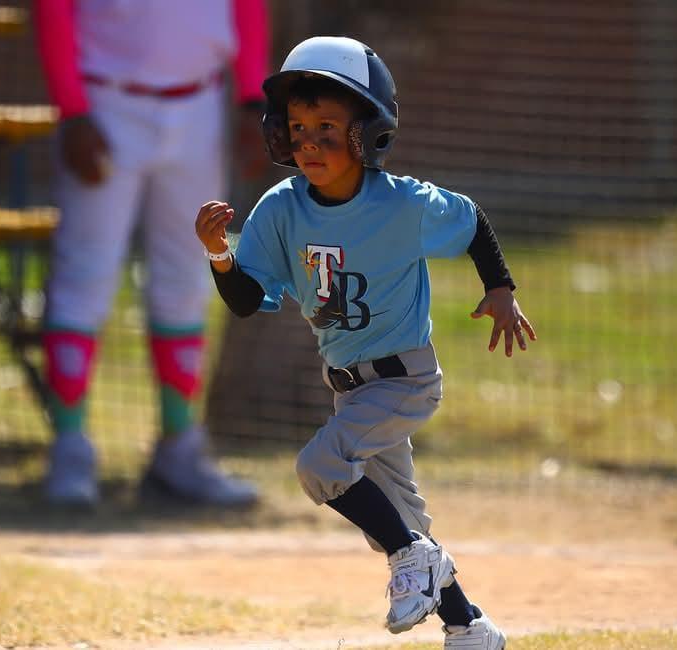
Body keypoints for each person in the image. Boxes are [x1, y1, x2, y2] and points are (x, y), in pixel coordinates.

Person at [196, 36, 535, 649]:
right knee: (399, 525)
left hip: (405, 380)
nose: (309, 142)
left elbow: (471, 219)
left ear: (367, 132)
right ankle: (470, 627)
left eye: (328, 126)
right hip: (349, 390)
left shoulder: (401, 204)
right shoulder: (281, 210)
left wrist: (501, 287)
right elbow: (248, 301)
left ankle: (417, 559)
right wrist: (218, 252)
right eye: (298, 126)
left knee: (320, 468)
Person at [33, 0, 269, 507]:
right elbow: (52, 9)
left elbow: (247, 7)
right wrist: (71, 109)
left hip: (200, 106)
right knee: (86, 274)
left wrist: (253, 97)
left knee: (188, 276)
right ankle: (70, 449)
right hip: (104, 103)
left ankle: (178, 451)